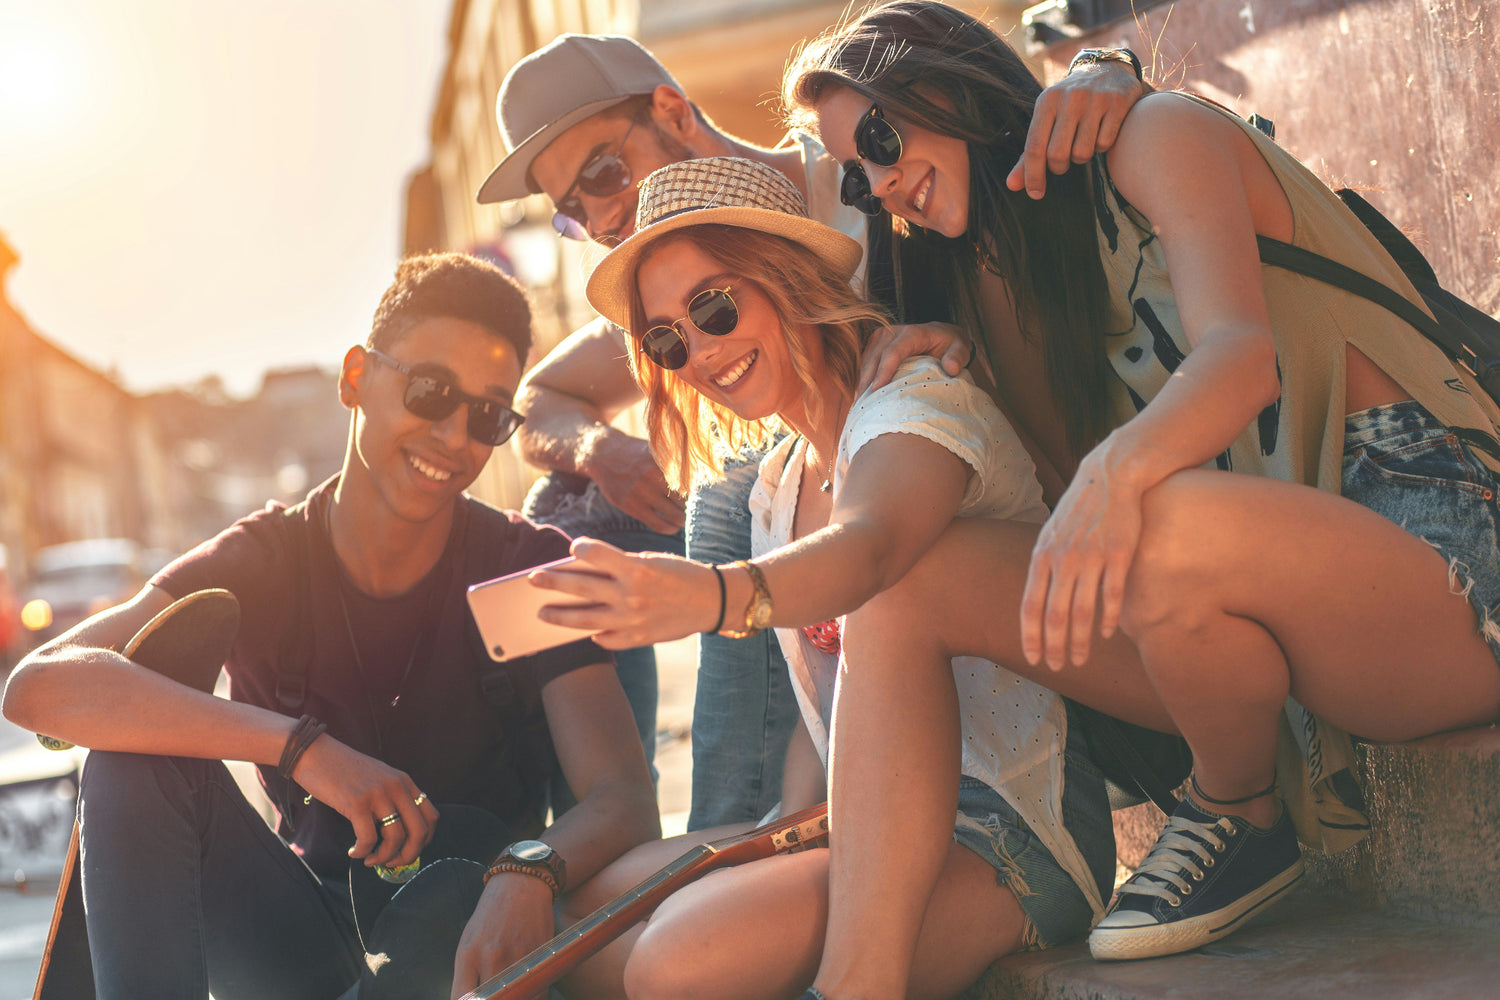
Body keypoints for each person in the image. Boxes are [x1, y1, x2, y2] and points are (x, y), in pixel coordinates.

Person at [767, 0, 1500, 974]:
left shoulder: (1156, 132)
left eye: (883, 136)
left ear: (950, 86)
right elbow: (1061, 507)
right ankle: (855, 982)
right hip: (1257, 626)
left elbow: (1241, 360)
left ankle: (1237, 810)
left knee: (1154, 507)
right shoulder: (1003, 269)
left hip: (1439, 548)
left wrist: (1120, 468)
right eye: (859, 173)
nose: (882, 179)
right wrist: (962, 365)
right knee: (910, 582)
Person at [479, 31, 1150, 829]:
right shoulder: (674, 289)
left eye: (603, 173)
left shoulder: (867, 172)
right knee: (577, 501)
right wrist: (606, 453)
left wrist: (1104, 68)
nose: (603, 216)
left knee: (728, 494)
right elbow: (541, 394)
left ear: (671, 110)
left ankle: (727, 827)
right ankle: (600, 819)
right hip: (856, 546)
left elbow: (979, 102)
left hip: (995, 538)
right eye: (570, 213)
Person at [526, 155, 1122, 1000]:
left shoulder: (918, 403)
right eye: (668, 338)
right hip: (866, 831)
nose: (699, 351)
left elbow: (870, 547)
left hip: (1011, 835)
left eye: (713, 307)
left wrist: (708, 595)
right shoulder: (774, 490)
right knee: (586, 918)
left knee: (671, 962)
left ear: (788, 276)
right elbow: (826, 711)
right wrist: (776, 842)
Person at [2, 253, 658, 999]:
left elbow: (622, 798)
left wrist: (529, 868)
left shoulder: (518, 568)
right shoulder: (267, 562)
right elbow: (39, 688)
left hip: (464, 940)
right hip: (297, 944)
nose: (453, 434)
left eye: (487, 415)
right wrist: (300, 748)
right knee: (127, 761)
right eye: (430, 390)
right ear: (355, 378)